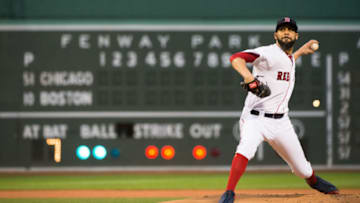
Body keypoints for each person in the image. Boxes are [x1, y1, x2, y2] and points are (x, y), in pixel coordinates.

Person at [219, 17, 339, 203]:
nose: (286, 32)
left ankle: (314, 181)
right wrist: (250, 78)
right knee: (245, 149)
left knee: (303, 170)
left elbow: (285, 62)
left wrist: (300, 52)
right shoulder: (267, 53)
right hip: (255, 119)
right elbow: (236, 59)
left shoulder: (289, 58)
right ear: (275, 34)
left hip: (281, 122)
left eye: (290, 30)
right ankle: (229, 192)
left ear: (296, 35)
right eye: (282, 29)